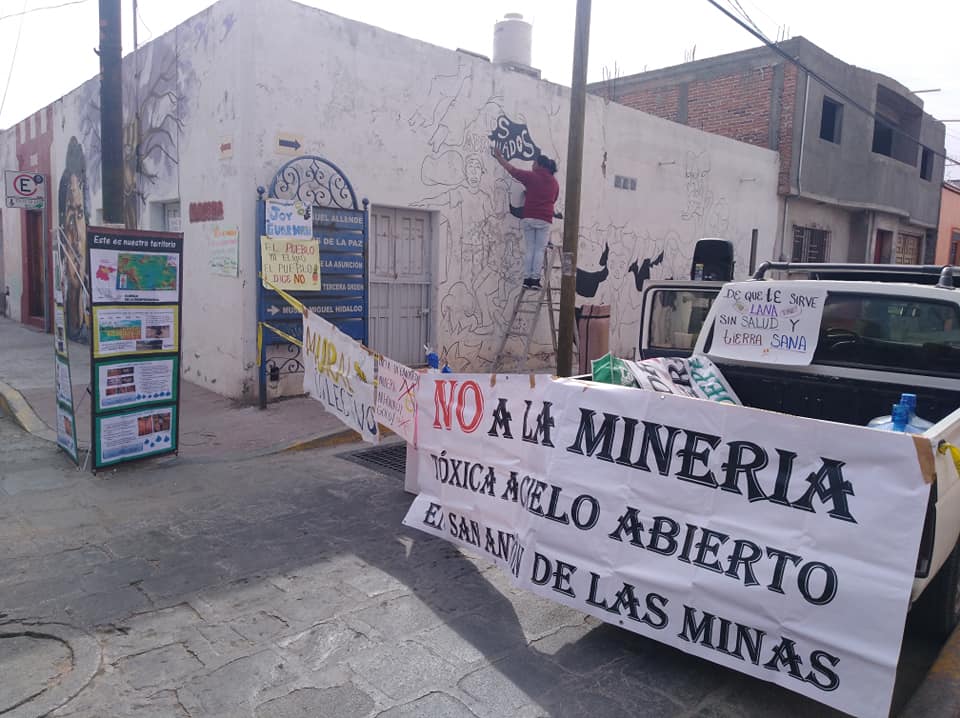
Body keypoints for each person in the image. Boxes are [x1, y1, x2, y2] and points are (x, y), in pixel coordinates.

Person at [491, 147, 559, 289]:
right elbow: (554, 199)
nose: (532, 165)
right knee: (539, 250)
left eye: (534, 163)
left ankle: (527, 279)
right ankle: (535, 280)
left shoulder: (531, 176)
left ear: (540, 165)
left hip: (529, 216)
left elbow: (512, 170)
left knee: (530, 249)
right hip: (544, 218)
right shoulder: (554, 183)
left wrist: (499, 158)